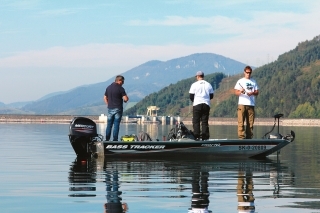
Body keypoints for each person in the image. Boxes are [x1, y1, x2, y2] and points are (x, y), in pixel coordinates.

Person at [234, 66, 259, 139]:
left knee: (250, 123)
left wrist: (252, 93)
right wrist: (240, 91)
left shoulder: (253, 81)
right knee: (241, 122)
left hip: (251, 104)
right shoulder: (240, 81)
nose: (248, 74)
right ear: (244, 72)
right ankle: (241, 138)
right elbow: (236, 92)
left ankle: (249, 138)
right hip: (242, 104)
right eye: (247, 72)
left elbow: (257, 92)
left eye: (250, 72)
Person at [189, 71, 214, 140]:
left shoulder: (194, 84)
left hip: (197, 104)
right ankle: (205, 137)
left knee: (196, 121)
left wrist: (195, 101)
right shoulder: (208, 84)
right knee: (204, 121)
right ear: (203, 76)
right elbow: (211, 96)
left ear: (197, 76)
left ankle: (196, 136)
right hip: (206, 104)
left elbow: (191, 96)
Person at [104, 75, 129, 141]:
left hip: (110, 108)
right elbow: (125, 98)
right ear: (119, 81)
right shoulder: (120, 88)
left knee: (109, 124)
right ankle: (115, 140)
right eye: (122, 81)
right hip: (118, 108)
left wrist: (108, 104)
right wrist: (125, 100)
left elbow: (105, 98)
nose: (123, 83)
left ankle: (107, 139)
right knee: (116, 124)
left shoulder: (108, 87)